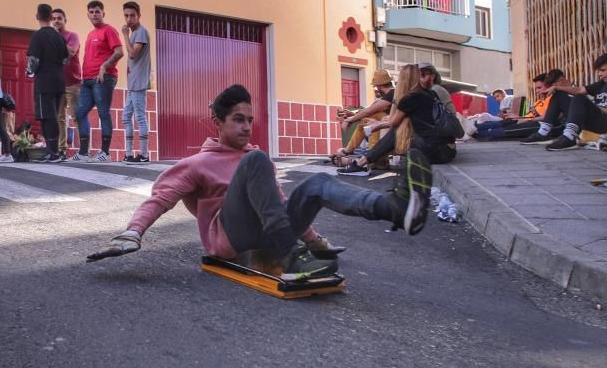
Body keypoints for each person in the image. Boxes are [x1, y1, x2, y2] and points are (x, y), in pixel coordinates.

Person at [86, 84, 432, 278]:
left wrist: (315, 242)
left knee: (313, 185)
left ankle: (395, 208)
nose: (247, 127)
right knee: (257, 160)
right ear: (216, 122)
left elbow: (277, 204)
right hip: (230, 239)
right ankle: (291, 255)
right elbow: (160, 198)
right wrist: (132, 232)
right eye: (238, 120)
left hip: (269, 232)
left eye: (250, 120)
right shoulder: (197, 164)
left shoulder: (255, 157)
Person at [337, 64, 459, 176]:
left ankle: (362, 163)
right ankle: (364, 162)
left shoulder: (409, 99)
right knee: (402, 127)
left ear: (403, 80)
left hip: (437, 152)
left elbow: (393, 122)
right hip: (449, 151)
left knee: (396, 132)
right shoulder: (431, 93)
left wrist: (376, 126)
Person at [521, 54, 607, 150]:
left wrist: (594, 107)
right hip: (592, 121)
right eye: (599, 71)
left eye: (603, 70)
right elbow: (579, 90)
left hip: (603, 122)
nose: (599, 74)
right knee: (559, 94)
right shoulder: (601, 84)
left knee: (579, 98)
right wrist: (556, 87)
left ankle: (570, 137)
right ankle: (543, 133)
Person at [74, 0, 124, 163]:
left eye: (97, 11)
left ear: (103, 13)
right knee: (80, 113)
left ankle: (105, 152)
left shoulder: (108, 30)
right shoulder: (90, 34)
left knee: (103, 113)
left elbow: (119, 52)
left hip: (103, 78)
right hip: (87, 80)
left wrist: (104, 66)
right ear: (88, 14)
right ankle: (83, 153)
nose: (94, 14)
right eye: (91, 12)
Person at [26, 3, 69, 163]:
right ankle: (52, 151)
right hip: (59, 80)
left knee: (47, 117)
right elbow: (66, 58)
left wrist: (29, 72)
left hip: (44, 81)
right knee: (50, 116)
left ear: (37, 17)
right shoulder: (59, 36)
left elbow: (33, 60)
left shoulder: (38, 36)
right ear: (51, 17)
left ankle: (54, 153)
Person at [466, 73, 561, 140]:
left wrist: (526, 119)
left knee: (497, 131)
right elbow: (530, 115)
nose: (537, 91)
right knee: (506, 121)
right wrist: (520, 117)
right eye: (536, 88)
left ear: (550, 86)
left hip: (538, 124)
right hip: (526, 120)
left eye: (539, 88)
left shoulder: (554, 99)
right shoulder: (540, 101)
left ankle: (472, 132)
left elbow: (545, 117)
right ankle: (474, 127)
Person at [330, 69, 395, 164]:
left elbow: (369, 110)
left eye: (375, 86)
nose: (375, 89)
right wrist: (353, 114)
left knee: (371, 119)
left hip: (392, 130)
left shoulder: (393, 93)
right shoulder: (391, 94)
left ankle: (361, 154)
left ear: (379, 86)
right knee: (371, 118)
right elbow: (369, 108)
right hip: (390, 129)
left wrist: (350, 120)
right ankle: (356, 152)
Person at [121, 1, 152, 164]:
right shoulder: (134, 33)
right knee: (126, 117)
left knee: (140, 117)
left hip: (139, 82)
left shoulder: (140, 32)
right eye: (126, 15)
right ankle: (128, 153)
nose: (129, 19)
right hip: (132, 83)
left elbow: (133, 54)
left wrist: (125, 35)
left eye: (132, 15)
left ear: (139, 15)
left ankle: (144, 154)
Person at [51, 8, 82, 161]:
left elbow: (71, 51)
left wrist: (57, 40)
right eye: (54, 18)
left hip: (73, 83)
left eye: (59, 18)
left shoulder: (72, 36)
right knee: (59, 118)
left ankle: (83, 151)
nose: (56, 21)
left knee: (77, 116)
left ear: (65, 20)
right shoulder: (50, 38)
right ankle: (62, 150)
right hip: (56, 84)